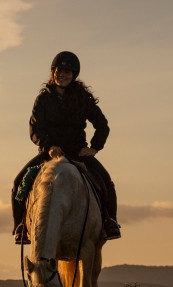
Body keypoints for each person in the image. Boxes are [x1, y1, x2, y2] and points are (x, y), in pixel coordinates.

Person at [12, 51, 121, 244]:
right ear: (53, 72)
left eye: (67, 72)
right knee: (19, 183)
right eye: (59, 70)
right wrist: (48, 147)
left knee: (106, 181)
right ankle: (21, 226)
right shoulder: (43, 99)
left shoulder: (82, 98)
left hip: (77, 153)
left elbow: (102, 125)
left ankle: (109, 221)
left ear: (74, 74)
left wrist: (94, 148)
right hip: (49, 154)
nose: (62, 75)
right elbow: (35, 129)